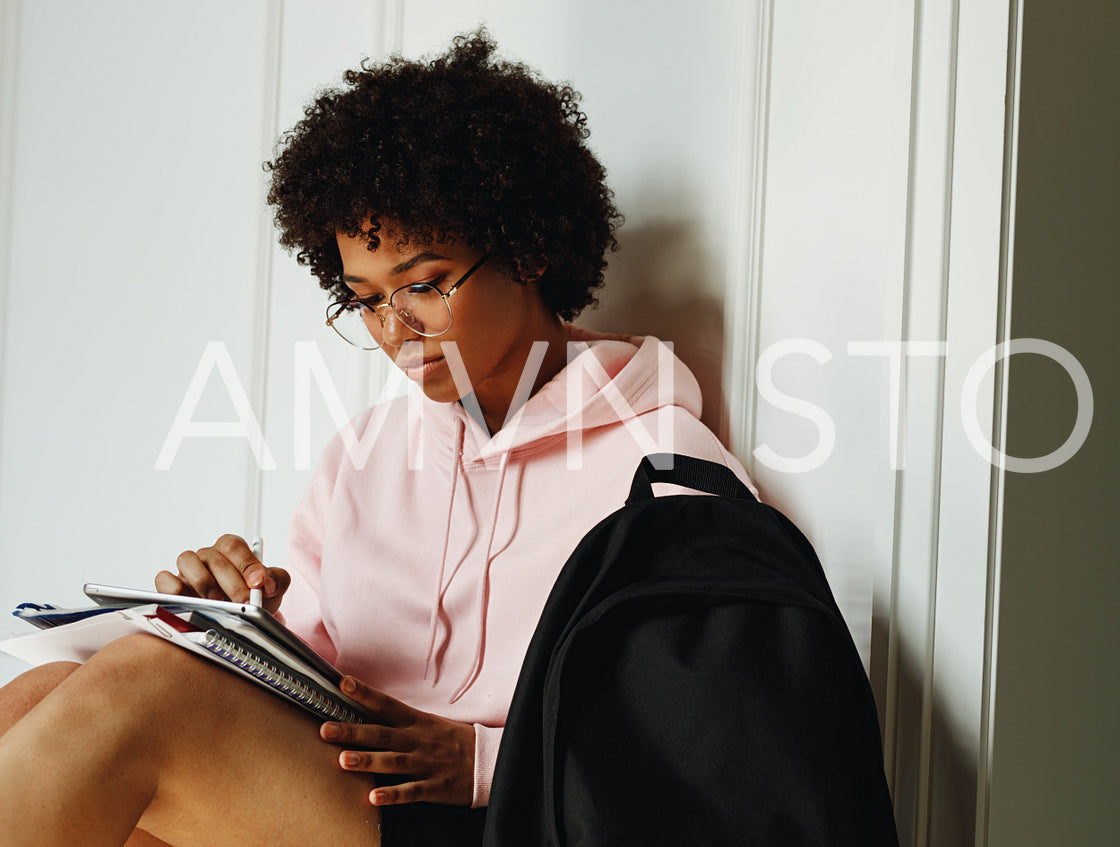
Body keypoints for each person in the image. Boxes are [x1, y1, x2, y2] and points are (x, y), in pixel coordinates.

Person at [0, 30, 751, 847]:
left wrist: (483, 759)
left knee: (142, 694)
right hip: (357, 796)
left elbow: (718, 740)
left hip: (511, 817)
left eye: (424, 284)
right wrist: (240, 625)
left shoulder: (662, 471)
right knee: (42, 694)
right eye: (364, 298)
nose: (396, 330)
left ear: (530, 248)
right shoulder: (364, 455)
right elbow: (327, 678)